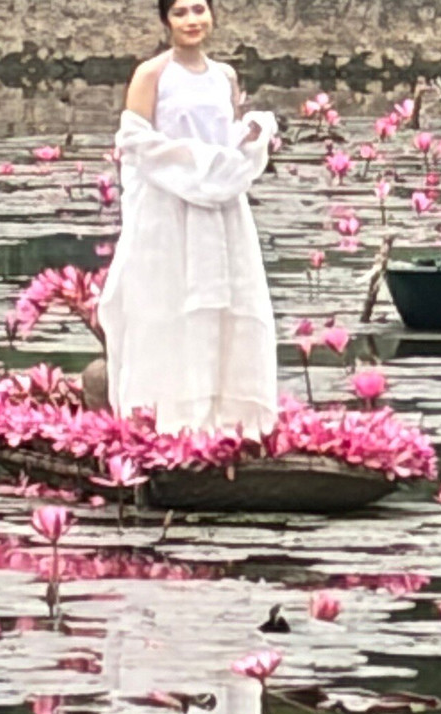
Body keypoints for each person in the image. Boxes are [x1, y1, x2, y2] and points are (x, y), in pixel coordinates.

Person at [97, 0, 279, 440]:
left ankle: (226, 417)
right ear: (166, 20)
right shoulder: (152, 74)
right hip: (167, 208)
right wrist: (198, 165)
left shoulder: (225, 76)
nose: (192, 20)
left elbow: (224, 135)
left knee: (226, 306)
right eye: (181, 12)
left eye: (199, 9)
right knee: (167, 305)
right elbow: (137, 143)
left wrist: (249, 137)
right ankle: (165, 418)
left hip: (220, 209)